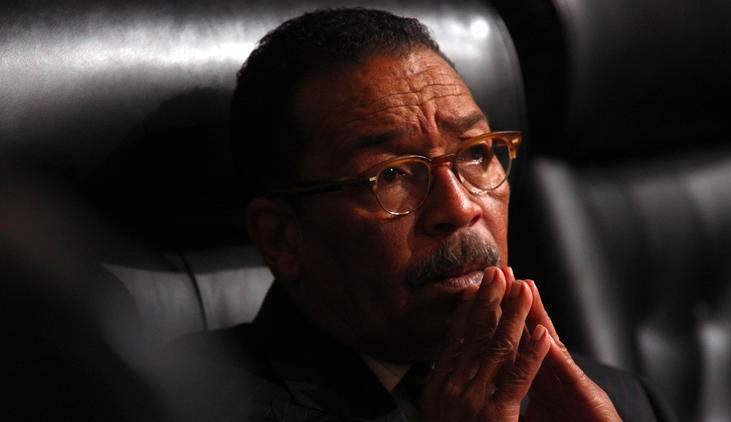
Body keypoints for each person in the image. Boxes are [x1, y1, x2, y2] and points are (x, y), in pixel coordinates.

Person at [170, 8, 676, 422]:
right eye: (391, 174)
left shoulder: (614, 403)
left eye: (476, 154)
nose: (459, 207)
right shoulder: (177, 401)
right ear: (281, 237)